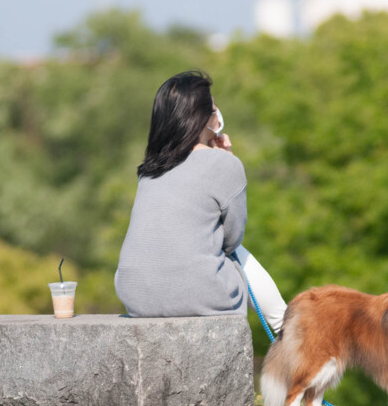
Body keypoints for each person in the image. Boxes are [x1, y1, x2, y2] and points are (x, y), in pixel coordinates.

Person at [114, 70, 287, 331]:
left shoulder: (149, 169)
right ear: (204, 118)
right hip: (202, 295)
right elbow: (231, 241)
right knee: (239, 254)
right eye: (214, 108)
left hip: (135, 299)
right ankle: (285, 328)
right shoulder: (225, 163)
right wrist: (226, 158)